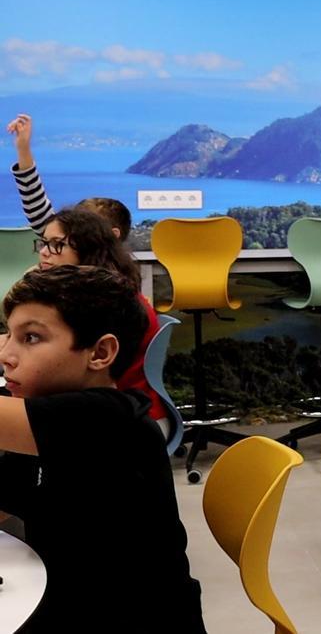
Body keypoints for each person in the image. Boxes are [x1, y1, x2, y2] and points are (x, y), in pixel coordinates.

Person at [0, 265, 205, 631]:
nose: (7, 355)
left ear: (101, 352)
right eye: (8, 335)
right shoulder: (39, 421)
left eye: (30, 338)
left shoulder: (110, 419)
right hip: (68, 600)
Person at [33, 207, 168, 435]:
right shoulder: (90, 293)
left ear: (88, 250)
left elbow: (58, 370)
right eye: (44, 243)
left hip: (126, 418)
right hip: (109, 408)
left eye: (57, 245)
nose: (45, 252)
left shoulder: (103, 304)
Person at [8, 114, 132, 239]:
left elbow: (36, 206)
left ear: (113, 235)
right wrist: (23, 148)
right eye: (72, 228)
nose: (73, 236)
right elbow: (35, 203)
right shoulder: (65, 247)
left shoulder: (66, 248)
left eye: (84, 230)